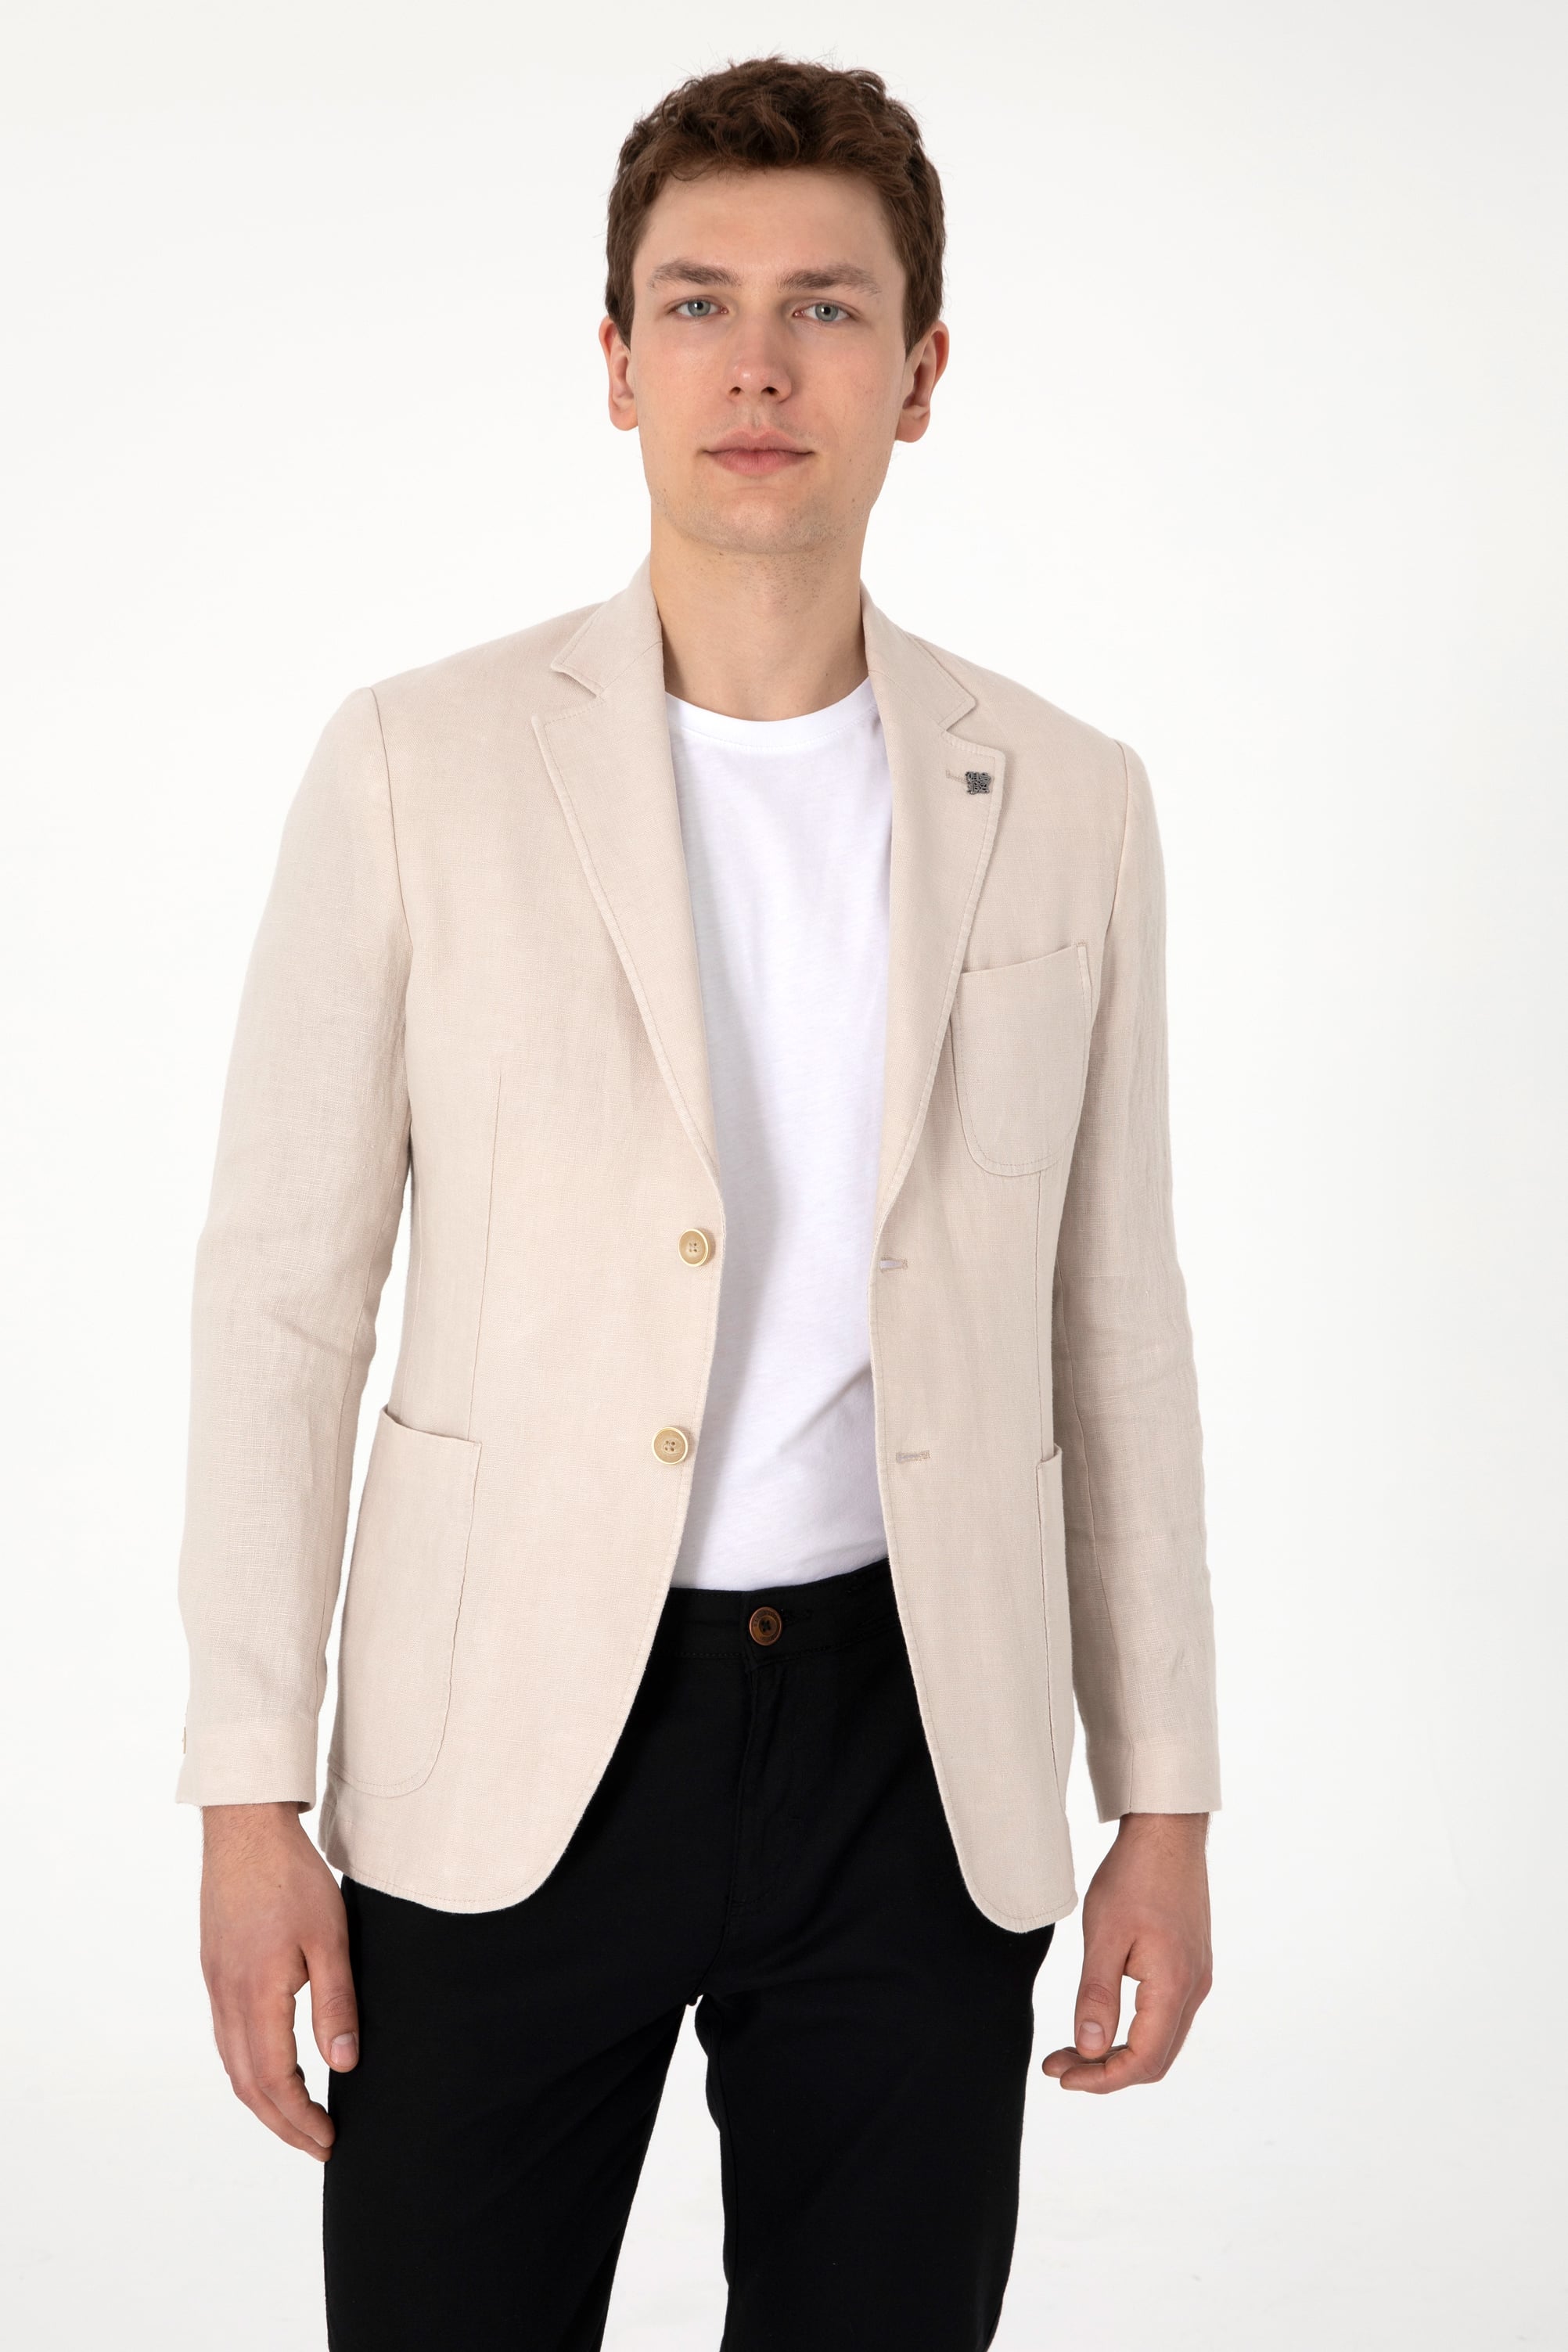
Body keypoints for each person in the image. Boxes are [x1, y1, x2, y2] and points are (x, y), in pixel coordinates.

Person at [178, 54, 1220, 2352]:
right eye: (698, 303)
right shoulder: (416, 764)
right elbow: (281, 1303)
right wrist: (248, 1799)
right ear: (617, 362)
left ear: (918, 375)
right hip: (503, 1737)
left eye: (827, 308)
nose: (759, 365)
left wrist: (1165, 1798)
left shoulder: (1069, 801)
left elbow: (1112, 1321)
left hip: (913, 1743)